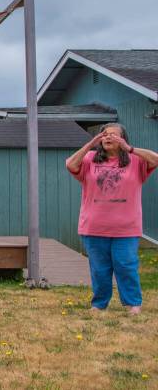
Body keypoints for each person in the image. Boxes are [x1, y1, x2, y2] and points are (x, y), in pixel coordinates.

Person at [66, 123, 157, 314]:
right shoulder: (90, 159)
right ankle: (99, 304)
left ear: (123, 139)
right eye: (105, 135)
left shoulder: (136, 161)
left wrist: (129, 149)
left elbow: (155, 159)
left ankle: (133, 304)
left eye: (114, 135)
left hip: (126, 227)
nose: (108, 137)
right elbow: (70, 164)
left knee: (125, 265)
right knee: (99, 269)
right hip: (94, 226)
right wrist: (90, 143)